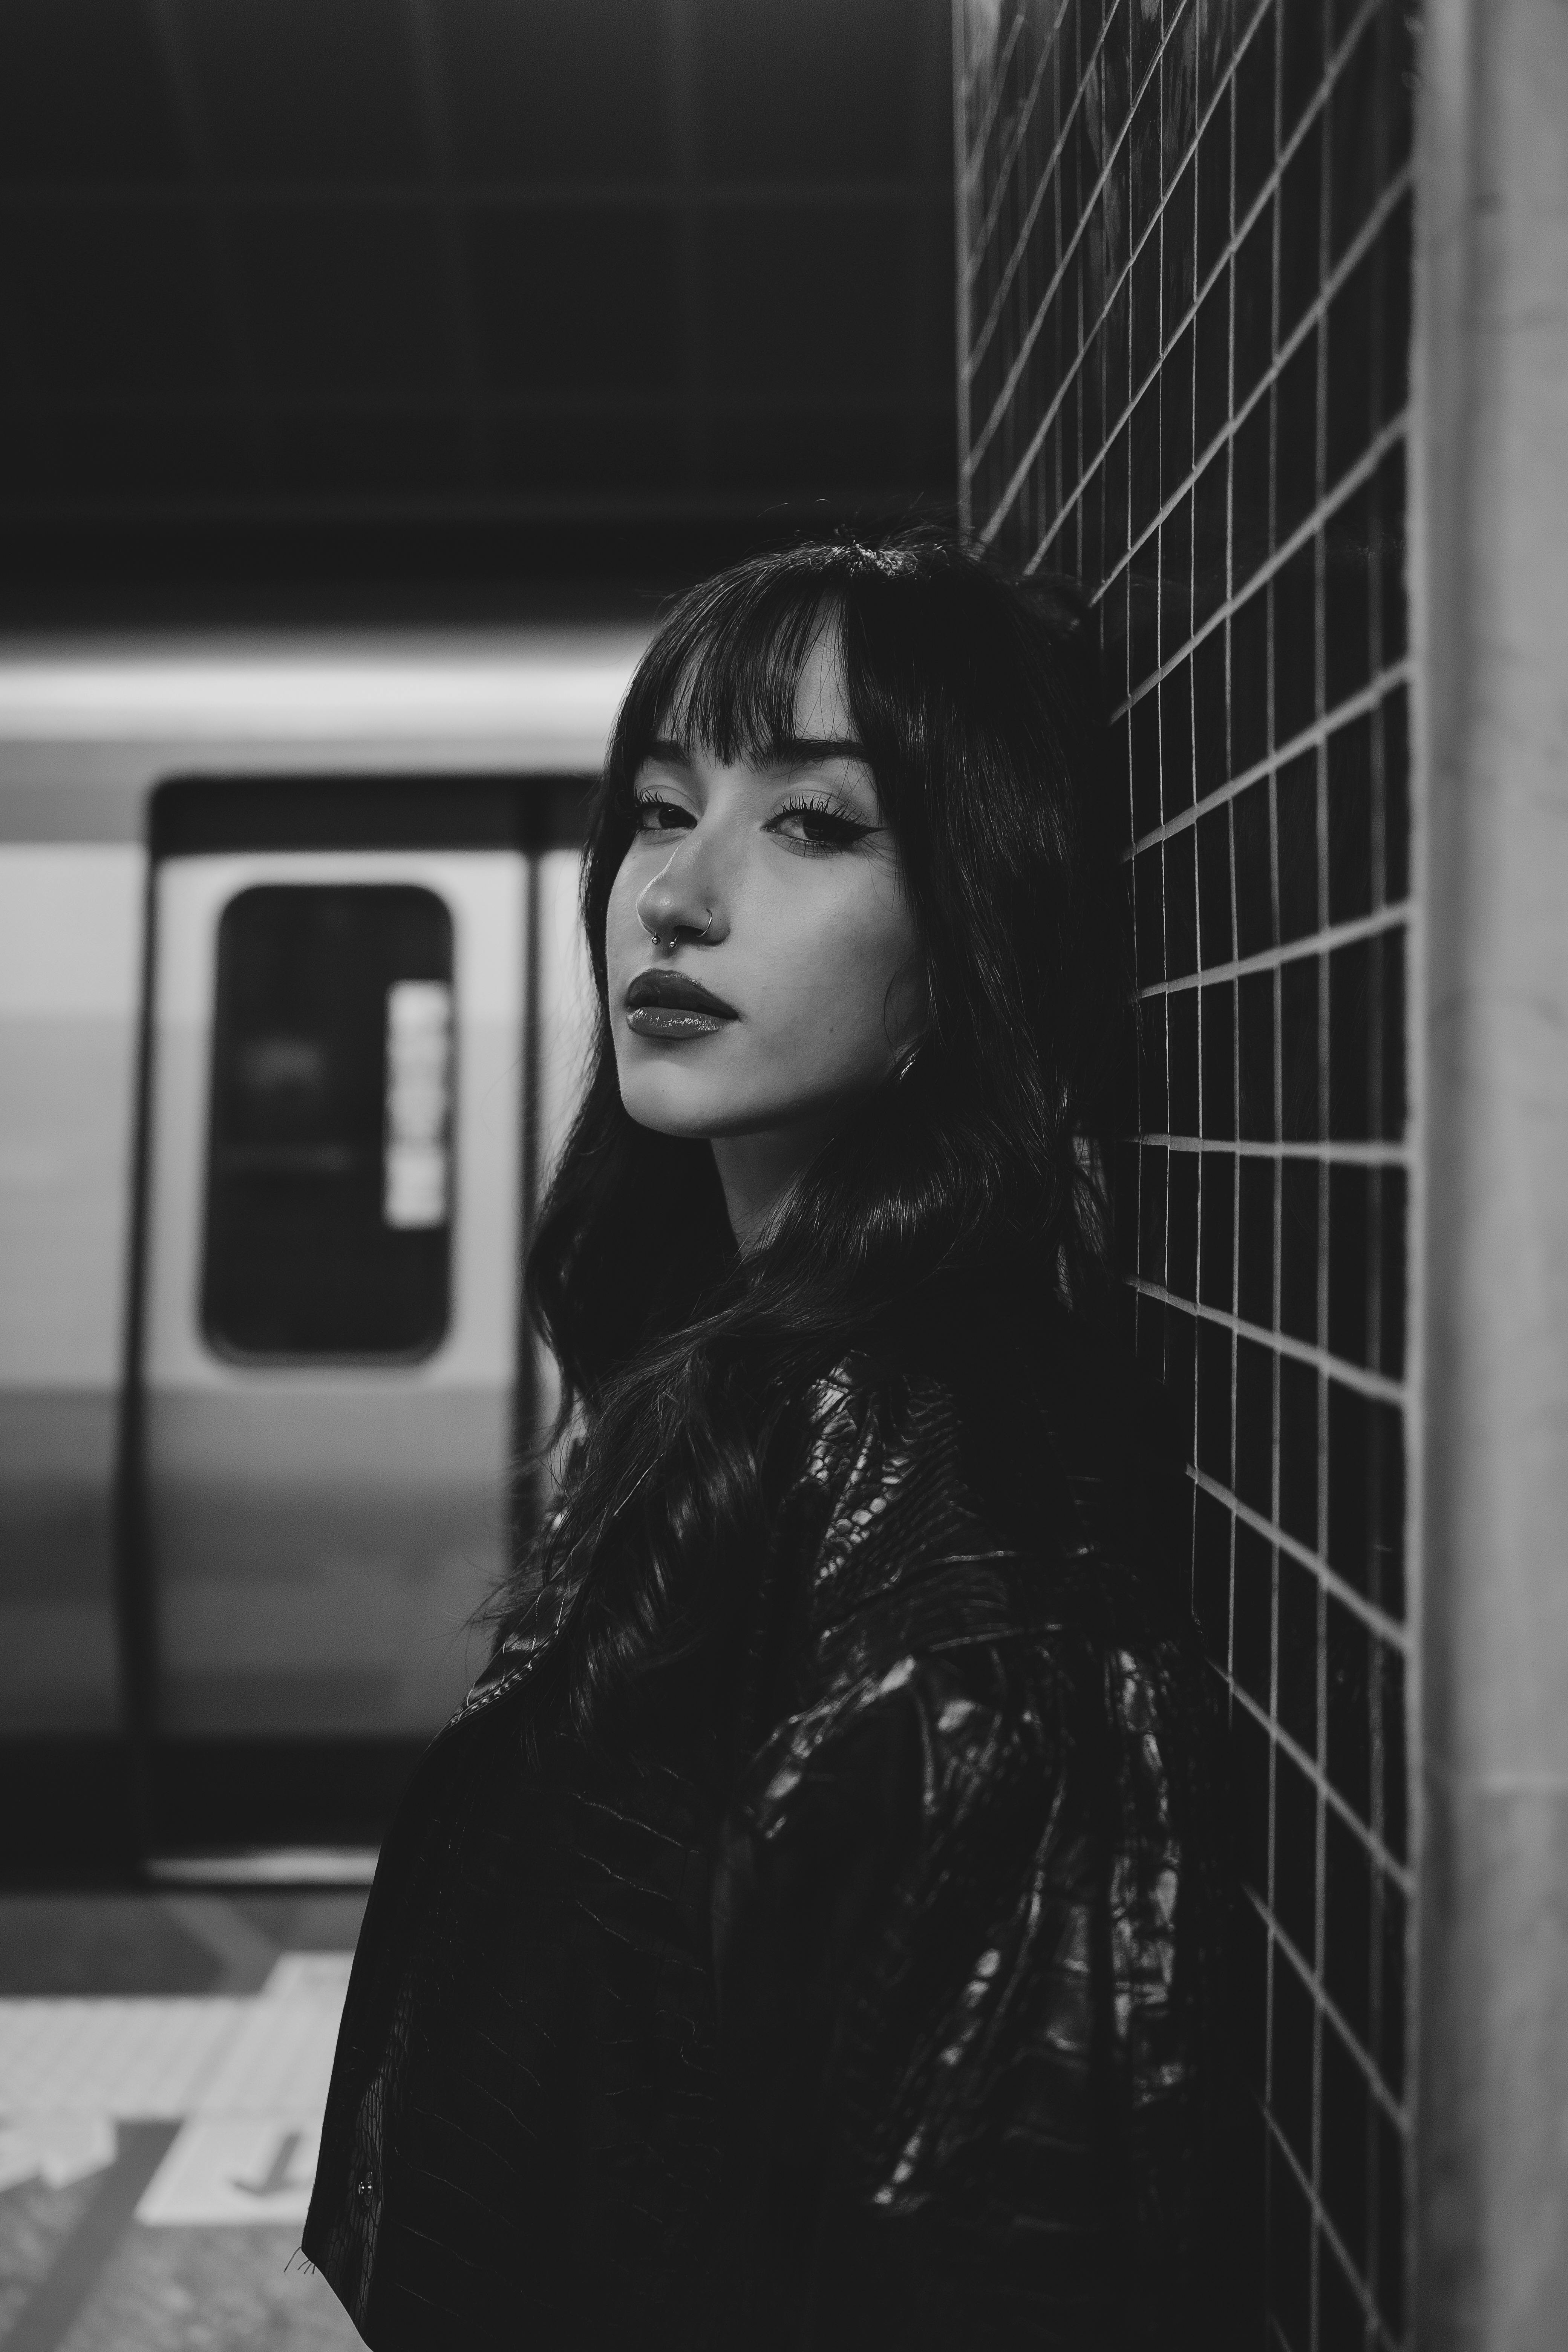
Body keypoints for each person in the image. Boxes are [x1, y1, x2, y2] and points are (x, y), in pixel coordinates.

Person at [303, 537, 1231, 2349]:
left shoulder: (932, 1519)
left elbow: (962, 2267)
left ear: (971, 923)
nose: (681, 895)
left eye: (815, 825)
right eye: (661, 812)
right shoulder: (736, 1384)